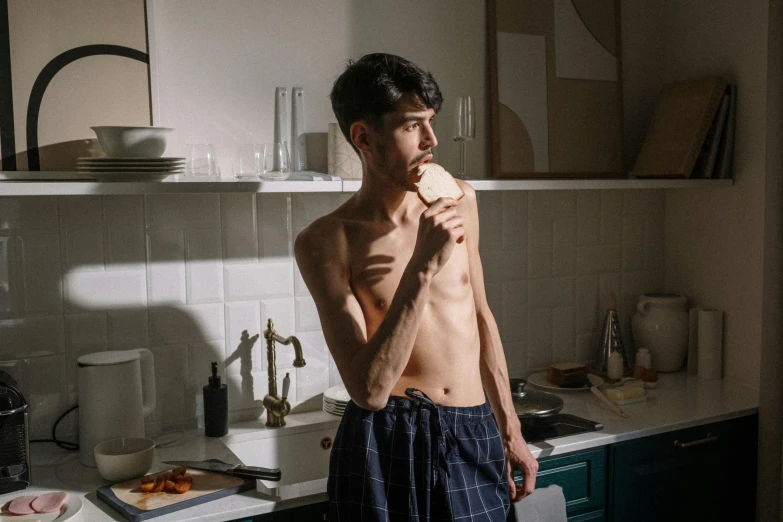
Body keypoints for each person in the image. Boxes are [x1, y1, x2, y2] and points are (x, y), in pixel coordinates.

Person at [295, 53, 538, 521]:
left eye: (430, 122)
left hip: (473, 428)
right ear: (363, 137)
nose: (432, 140)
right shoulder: (327, 241)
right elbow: (368, 391)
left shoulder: (460, 200)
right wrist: (422, 268)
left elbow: (481, 316)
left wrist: (510, 428)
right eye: (411, 126)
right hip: (385, 440)